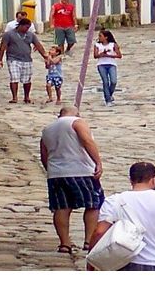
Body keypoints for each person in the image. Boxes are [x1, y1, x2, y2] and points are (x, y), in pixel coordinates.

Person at [87, 161, 155, 271]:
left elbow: (99, 232)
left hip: (125, 261)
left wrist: (91, 259)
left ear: (131, 180)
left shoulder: (114, 201)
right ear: (154, 179)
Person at [39, 107, 105, 256]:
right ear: (77, 113)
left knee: (61, 208)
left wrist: (50, 170)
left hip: (56, 173)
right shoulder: (77, 122)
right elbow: (87, 141)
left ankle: (64, 243)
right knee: (93, 205)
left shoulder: (47, 129)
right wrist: (98, 162)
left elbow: (44, 153)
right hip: (80, 171)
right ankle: (89, 240)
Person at [0, 14, 42, 103]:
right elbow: (3, 47)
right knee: (14, 77)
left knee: (27, 79)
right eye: (26, 27)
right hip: (13, 58)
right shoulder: (9, 34)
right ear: (21, 26)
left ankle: (26, 97)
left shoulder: (30, 35)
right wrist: (0, 60)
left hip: (27, 59)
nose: (27, 29)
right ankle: (14, 97)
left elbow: (38, 45)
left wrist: (45, 56)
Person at [92, 29, 122, 105]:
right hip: (101, 64)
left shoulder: (113, 45)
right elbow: (95, 55)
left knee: (113, 81)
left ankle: (109, 94)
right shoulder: (97, 45)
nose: (99, 37)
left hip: (111, 64)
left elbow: (119, 55)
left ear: (106, 37)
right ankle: (107, 99)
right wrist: (102, 54)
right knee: (105, 82)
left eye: (100, 36)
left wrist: (109, 55)